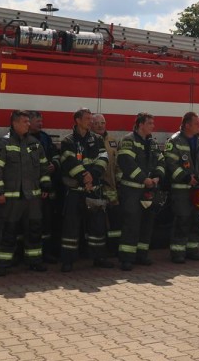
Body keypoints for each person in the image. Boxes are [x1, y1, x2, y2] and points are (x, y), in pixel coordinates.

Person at [0, 110, 51, 275]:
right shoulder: (3, 144)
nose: (28, 124)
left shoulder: (35, 144)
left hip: (33, 198)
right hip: (11, 199)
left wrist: (45, 186)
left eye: (29, 122)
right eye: (24, 122)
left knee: (34, 231)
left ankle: (34, 261)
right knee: (7, 232)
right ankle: (2, 265)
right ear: (14, 123)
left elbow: (43, 167)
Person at [58, 108, 111, 272]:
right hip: (75, 190)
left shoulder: (97, 139)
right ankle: (68, 260)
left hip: (93, 189)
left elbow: (103, 159)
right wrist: (83, 177)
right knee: (71, 227)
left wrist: (92, 177)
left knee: (97, 226)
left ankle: (98, 257)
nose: (91, 121)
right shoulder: (68, 140)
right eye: (87, 119)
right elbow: (68, 162)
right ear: (78, 121)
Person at [116, 113, 165, 270]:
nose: (153, 126)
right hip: (132, 190)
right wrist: (144, 179)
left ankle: (141, 255)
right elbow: (126, 162)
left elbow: (161, 160)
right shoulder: (128, 140)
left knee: (147, 224)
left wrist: (157, 177)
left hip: (149, 190)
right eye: (150, 123)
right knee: (131, 224)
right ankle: (126, 258)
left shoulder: (152, 142)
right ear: (140, 124)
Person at [164, 111, 199, 262]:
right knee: (182, 219)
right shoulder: (174, 141)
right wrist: (187, 178)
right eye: (197, 123)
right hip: (182, 189)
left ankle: (193, 250)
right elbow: (170, 164)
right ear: (187, 125)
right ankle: (177, 253)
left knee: (197, 219)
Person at [30, 110, 60, 262]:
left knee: (46, 222)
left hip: (45, 187)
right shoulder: (23, 139)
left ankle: (45, 253)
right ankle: (29, 254)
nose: (41, 124)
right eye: (38, 121)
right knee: (31, 224)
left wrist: (54, 164)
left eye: (41, 121)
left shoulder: (45, 138)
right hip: (30, 189)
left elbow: (55, 155)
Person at [90, 114, 122, 257]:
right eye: (96, 123)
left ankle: (114, 249)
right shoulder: (89, 141)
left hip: (112, 188)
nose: (100, 125)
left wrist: (119, 182)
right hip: (96, 189)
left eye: (102, 122)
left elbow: (118, 165)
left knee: (115, 221)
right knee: (97, 222)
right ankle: (97, 252)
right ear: (91, 125)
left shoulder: (112, 141)